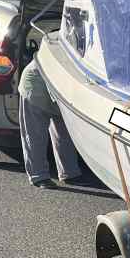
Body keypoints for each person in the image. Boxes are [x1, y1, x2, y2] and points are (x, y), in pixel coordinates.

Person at [18, 60, 83, 189]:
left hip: (57, 93)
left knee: (64, 135)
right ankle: (38, 176)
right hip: (35, 88)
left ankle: (69, 173)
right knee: (35, 136)